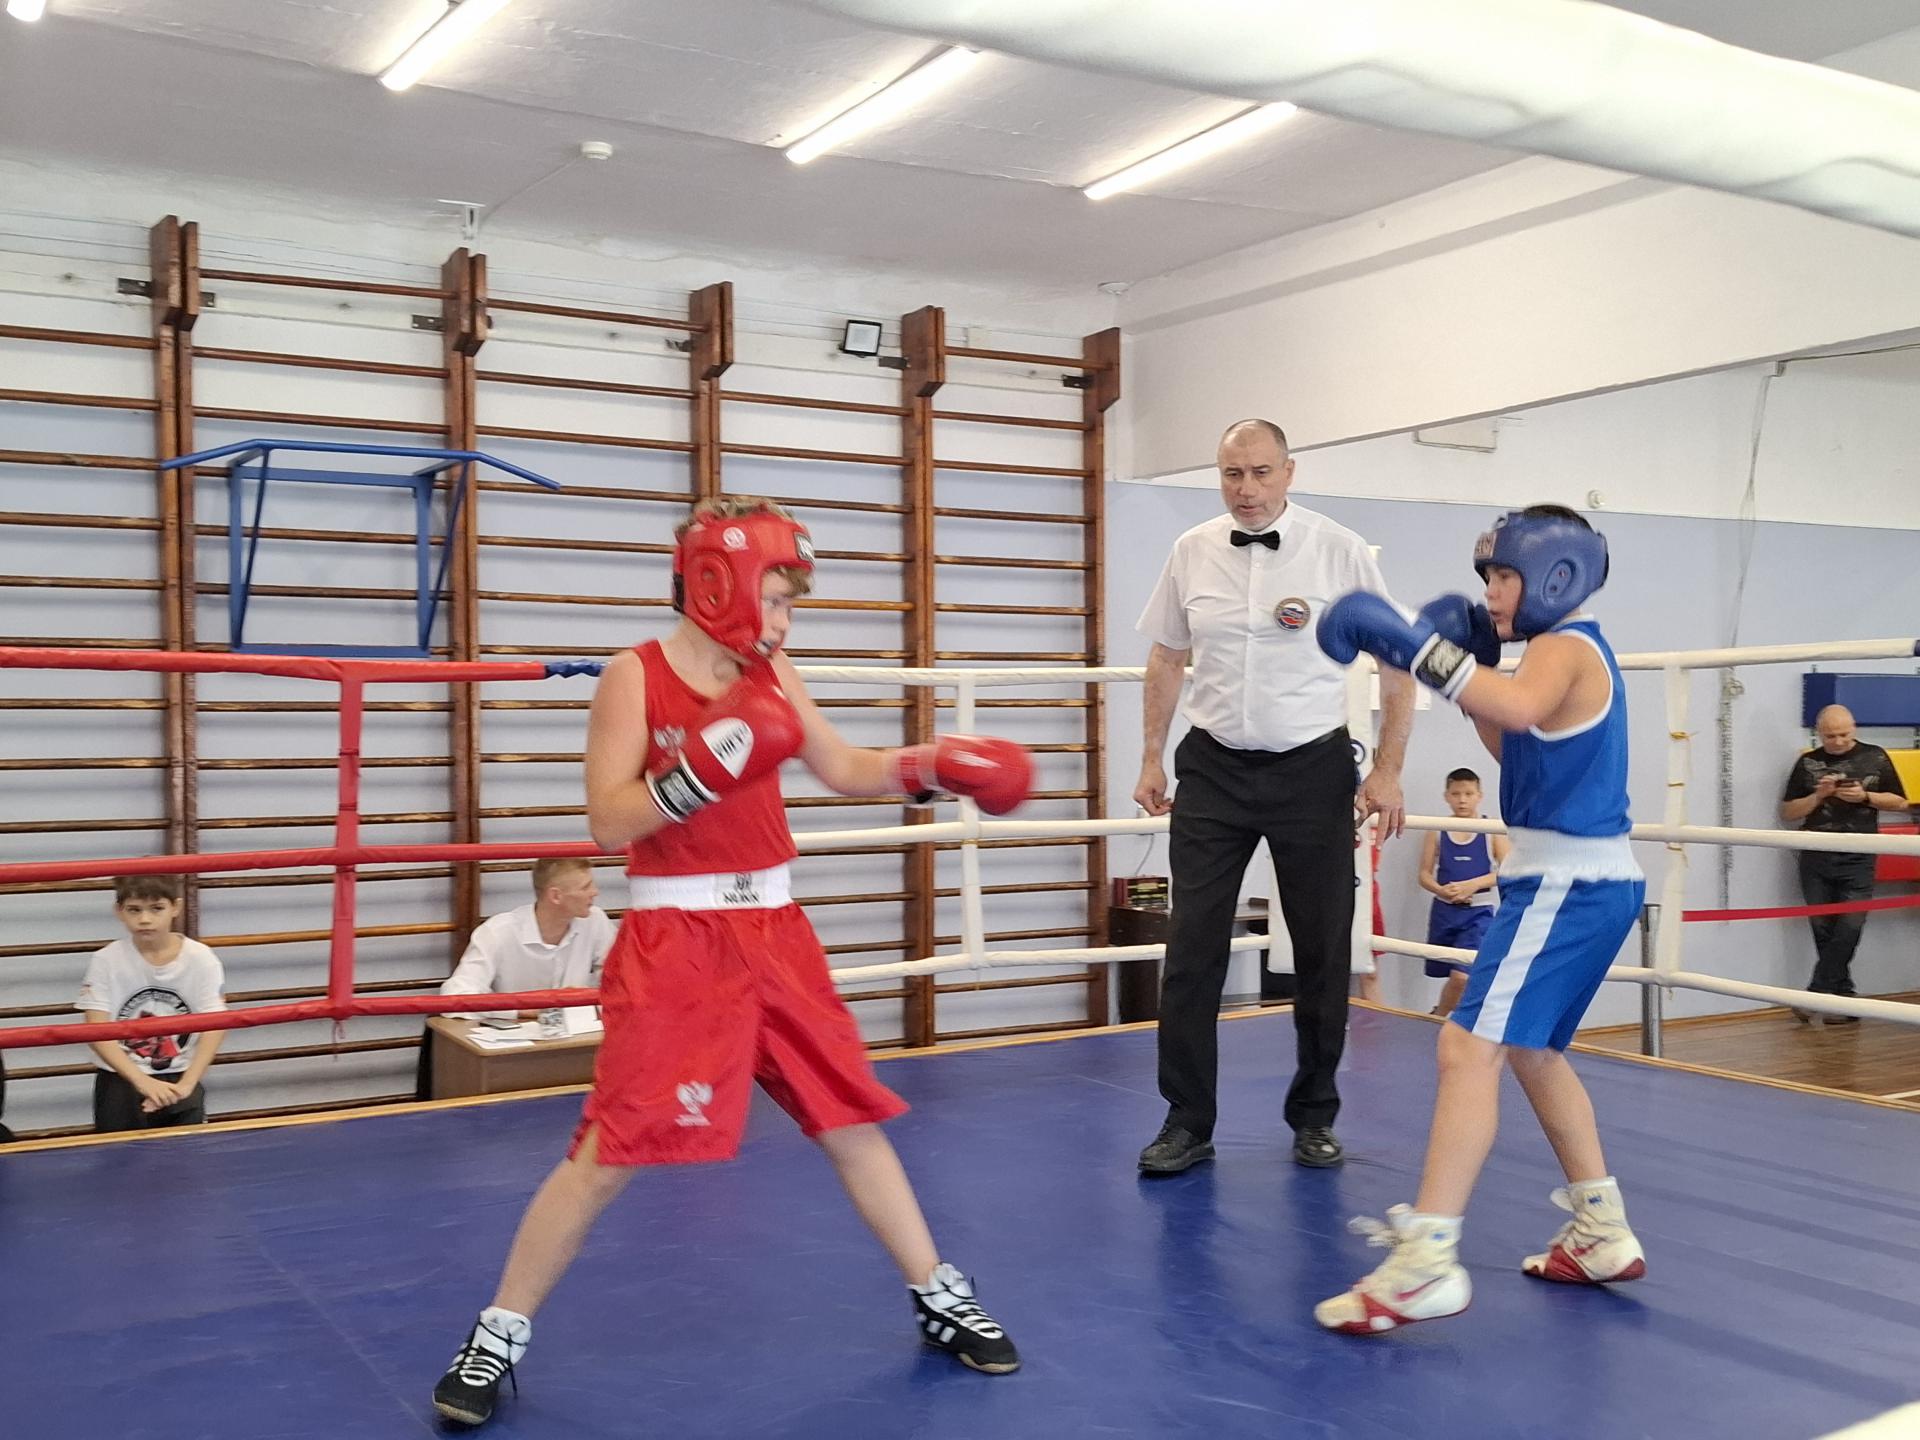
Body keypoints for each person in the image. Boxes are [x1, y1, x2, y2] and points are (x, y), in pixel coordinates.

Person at [431, 498, 1036, 1427]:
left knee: (847, 1116)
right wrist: (699, 773)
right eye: (778, 599)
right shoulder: (634, 676)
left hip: (777, 932)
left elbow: (843, 767)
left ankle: (938, 1293)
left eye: (792, 603)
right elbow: (609, 821)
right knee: (609, 1150)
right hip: (677, 943)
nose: (785, 621)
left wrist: (934, 765)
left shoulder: (771, 670)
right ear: (722, 585)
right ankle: (497, 1335)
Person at [1312, 505, 1646, 1334]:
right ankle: (1601, 1230)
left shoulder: (1565, 649)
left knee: (1466, 1046)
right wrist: (1458, 685)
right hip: (1575, 878)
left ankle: (1428, 1261)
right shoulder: (1552, 657)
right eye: (1488, 577)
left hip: (1567, 881)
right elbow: (1518, 745)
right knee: (1531, 1050)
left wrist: (1426, 651)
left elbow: (1522, 707)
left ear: (1556, 577)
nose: (1491, 593)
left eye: (1504, 576)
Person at [1134, 418, 1413, 1175]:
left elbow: (1398, 664)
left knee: (1322, 951)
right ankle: (1186, 1122)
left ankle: (1315, 1116)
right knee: (1191, 951)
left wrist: (1388, 769)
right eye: (1233, 474)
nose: (1247, 489)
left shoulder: (1340, 550)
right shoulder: (1191, 550)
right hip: (1213, 770)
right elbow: (1166, 656)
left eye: (1260, 472)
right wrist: (1151, 757)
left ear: (1290, 472)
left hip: (1313, 770)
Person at [1778, 704, 1907, 1022]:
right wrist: (1818, 796)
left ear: (1854, 729)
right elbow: (1788, 812)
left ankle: (1816, 994)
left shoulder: (1875, 756)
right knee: (1823, 929)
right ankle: (1844, 1000)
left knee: (1849, 927)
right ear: (1818, 734)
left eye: (1843, 735)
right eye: (1829, 736)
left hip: (1859, 855)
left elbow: (1900, 802)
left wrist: (1865, 797)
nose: (1837, 741)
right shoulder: (1808, 762)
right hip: (1816, 854)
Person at [77, 874, 227, 1133]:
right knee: (119, 1155)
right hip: (121, 1079)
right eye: (134, 910)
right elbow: (95, 1028)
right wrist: (141, 1081)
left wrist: (187, 1084)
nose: (145, 919)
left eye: (156, 908)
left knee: (185, 1154)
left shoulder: (201, 958)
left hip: (181, 1075)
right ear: (119, 911)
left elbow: (216, 1024)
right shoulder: (106, 960)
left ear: (175, 907)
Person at [439, 857, 617, 1017]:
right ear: (556, 896)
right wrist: (520, 1008)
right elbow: (456, 993)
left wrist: (588, 999)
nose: (595, 892)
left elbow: (620, 978)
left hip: (581, 1036)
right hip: (516, 1038)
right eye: (586, 887)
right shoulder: (498, 931)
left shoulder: (595, 921)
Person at [1417, 769, 1509, 1019]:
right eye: (1456, 794)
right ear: (1447, 796)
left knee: (1462, 976)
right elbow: (1424, 874)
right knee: (1449, 972)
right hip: (1444, 911)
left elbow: (1509, 871)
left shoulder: (1491, 830)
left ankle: (1439, 1018)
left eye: (1468, 794)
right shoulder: (1436, 829)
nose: (1462, 800)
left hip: (1479, 912)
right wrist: (1441, 890)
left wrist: (1473, 885)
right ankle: (1447, 1018)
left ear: (1479, 796)